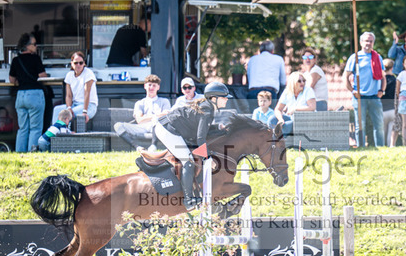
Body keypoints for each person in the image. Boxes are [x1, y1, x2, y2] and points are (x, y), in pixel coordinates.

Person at [153, 82, 231, 210]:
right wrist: (208, 158)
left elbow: (202, 129)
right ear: (214, 98)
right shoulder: (207, 110)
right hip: (167, 129)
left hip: (169, 126)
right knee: (188, 162)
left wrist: (219, 128)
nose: (227, 99)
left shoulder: (208, 107)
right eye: (224, 97)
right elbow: (200, 138)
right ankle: (188, 200)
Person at [344, 31, 387, 147]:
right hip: (360, 97)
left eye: (371, 41)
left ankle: (380, 147)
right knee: (360, 125)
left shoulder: (377, 57)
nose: (368, 43)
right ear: (361, 42)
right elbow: (345, 77)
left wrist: (382, 90)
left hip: (374, 96)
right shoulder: (355, 57)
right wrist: (353, 91)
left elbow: (383, 77)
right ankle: (361, 147)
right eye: (366, 41)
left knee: (379, 125)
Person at [9, 33, 48, 152]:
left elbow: (12, 80)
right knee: (35, 128)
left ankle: (20, 153)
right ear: (27, 46)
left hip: (21, 95)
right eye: (34, 44)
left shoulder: (16, 60)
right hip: (34, 95)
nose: (36, 46)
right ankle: (32, 153)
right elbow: (43, 76)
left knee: (22, 128)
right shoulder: (35, 59)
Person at [114, 74, 171, 151]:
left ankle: (153, 146)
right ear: (145, 86)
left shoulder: (164, 101)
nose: (151, 87)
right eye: (149, 85)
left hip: (158, 127)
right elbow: (140, 120)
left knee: (155, 119)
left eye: (154, 85)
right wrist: (157, 115)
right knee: (118, 125)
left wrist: (149, 117)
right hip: (142, 127)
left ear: (158, 87)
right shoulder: (139, 103)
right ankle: (137, 147)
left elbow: (166, 115)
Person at [52, 51, 98, 124]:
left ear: (84, 63)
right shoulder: (69, 75)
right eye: (76, 63)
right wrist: (69, 107)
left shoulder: (88, 73)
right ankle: (56, 130)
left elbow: (87, 93)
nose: (78, 65)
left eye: (81, 63)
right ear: (71, 63)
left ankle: (65, 130)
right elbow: (69, 95)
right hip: (75, 105)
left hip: (89, 106)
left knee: (67, 115)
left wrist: (85, 111)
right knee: (57, 109)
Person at [268, 71, 316, 136]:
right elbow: (277, 109)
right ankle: (275, 138)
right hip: (291, 118)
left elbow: (312, 107)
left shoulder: (308, 90)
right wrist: (281, 119)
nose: (302, 83)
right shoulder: (287, 91)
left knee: (287, 126)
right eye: (299, 81)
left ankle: (280, 139)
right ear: (293, 82)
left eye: (304, 81)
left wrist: (295, 109)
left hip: (305, 119)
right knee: (272, 120)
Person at [246, 40, 286, 112]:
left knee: (253, 117)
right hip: (270, 92)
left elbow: (249, 77)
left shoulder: (252, 59)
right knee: (269, 117)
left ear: (260, 50)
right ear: (272, 50)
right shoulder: (278, 59)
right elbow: (283, 81)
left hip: (253, 92)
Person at [381, 59, 398, 146]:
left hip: (382, 109)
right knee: (391, 132)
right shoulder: (395, 80)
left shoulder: (380, 80)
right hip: (392, 109)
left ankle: (381, 147)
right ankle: (390, 146)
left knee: (382, 132)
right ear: (392, 68)